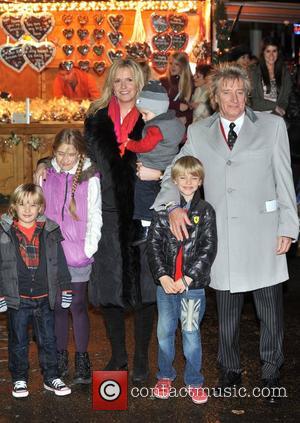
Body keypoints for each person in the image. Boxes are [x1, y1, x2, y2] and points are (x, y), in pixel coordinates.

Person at [151, 63, 298, 403]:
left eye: (240, 92)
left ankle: (271, 375)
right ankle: (229, 372)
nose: (234, 98)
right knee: (227, 313)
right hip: (223, 241)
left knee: (270, 314)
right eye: (226, 92)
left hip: (264, 234)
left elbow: (285, 180)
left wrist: (289, 227)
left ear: (248, 95)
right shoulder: (200, 131)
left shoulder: (273, 127)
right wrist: (172, 206)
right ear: (215, 98)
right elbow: (176, 172)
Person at [84, 58, 157, 383]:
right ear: (110, 85)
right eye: (118, 81)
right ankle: (118, 356)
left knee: (146, 289)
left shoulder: (156, 121)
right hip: (107, 216)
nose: (124, 86)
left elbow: (175, 160)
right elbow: (80, 159)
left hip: (143, 215)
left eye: (130, 80)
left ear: (139, 84)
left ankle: (142, 358)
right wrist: (47, 163)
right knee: (109, 287)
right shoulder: (95, 121)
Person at [147, 156, 217, 404]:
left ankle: (194, 380)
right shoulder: (162, 210)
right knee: (165, 331)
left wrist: (188, 278)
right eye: (183, 177)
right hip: (166, 287)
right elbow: (153, 246)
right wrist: (162, 276)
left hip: (191, 288)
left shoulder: (205, 211)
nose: (188, 182)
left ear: (200, 181)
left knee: (190, 331)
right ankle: (165, 376)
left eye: (194, 177)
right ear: (174, 180)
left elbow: (208, 248)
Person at [40, 129, 102, 384]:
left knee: (77, 306)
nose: (66, 159)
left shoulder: (90, 177)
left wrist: (89, 248)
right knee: (58, 307)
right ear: (54, 152)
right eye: (61, 154)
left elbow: (95, 214)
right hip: (52, 253)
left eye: (72, 154)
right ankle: (60, 356)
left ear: (81, 153)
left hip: (78, 253)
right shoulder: (47, 175)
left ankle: (82, 358)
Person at [0, 183, 72, 398]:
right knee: (18, 341)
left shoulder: (49, 230)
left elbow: (60, 260)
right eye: (22, 204)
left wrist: (65, 287)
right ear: (14, 206)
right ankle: (19, 379)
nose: (27, 209)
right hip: (17, 298)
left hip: (44, 297)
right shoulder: (4, 231)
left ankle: (52, 377)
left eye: (33, 204)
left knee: (48, 340)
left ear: (41, 207)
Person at [120, 79, 185, 244]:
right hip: (168, 164)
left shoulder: (155, 127)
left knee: (142, 193)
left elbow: (145, 146)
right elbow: (182, 138)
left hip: (152, 164)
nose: (143, 117)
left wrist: (130, 144)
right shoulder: (175, 122)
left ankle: (146, 225)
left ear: (156, 110)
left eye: (145, 113)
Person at [250, 37, 292, 116]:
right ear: (263, 53)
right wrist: (274, 106)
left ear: (278, 52)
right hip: (258, 115)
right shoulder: (254, 72)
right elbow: (252, 101)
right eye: (268, 51)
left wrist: (277, 112)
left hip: (277, 115)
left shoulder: (285, 74)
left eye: (274, 51)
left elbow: (285, 100)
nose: (271, 55)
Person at [160, 52, 194, 128]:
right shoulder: (163, 82)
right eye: (171, 63)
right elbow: (159, 103)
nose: (172, 67)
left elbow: (193, 108)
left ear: (183, 66)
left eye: (177, 64)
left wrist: (187, 118)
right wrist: (176, 105)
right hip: (166, 124)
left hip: (184, 127)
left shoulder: (191, 83)